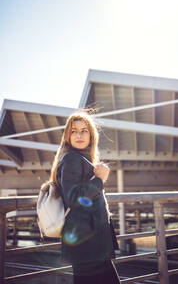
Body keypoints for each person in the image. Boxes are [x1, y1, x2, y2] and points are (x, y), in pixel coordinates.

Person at [49, 110, 121, 284]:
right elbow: (74, 198)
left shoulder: (80, 158)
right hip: (87, 244)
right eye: (73, 131)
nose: (79, 135)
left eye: (83, 130)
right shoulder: (72, 158)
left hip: (88, 244)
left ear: (91, 135)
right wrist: (99, 179)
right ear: (67, 135)